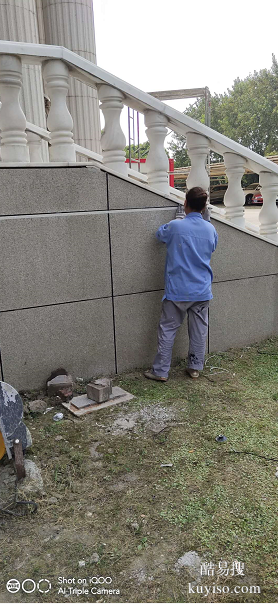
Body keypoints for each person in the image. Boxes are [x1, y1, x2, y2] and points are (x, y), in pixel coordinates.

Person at [144, 186, 218, 382]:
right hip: (201, 291)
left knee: (168, 329)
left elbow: (160, 235)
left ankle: (160, 371)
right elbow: (212, 246)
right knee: (199, 331)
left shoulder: (176, 227)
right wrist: (206, 222)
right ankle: (195, 367)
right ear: (204, 208)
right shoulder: (210, 228)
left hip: (177, 291)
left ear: (185, 204)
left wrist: (177, 220)